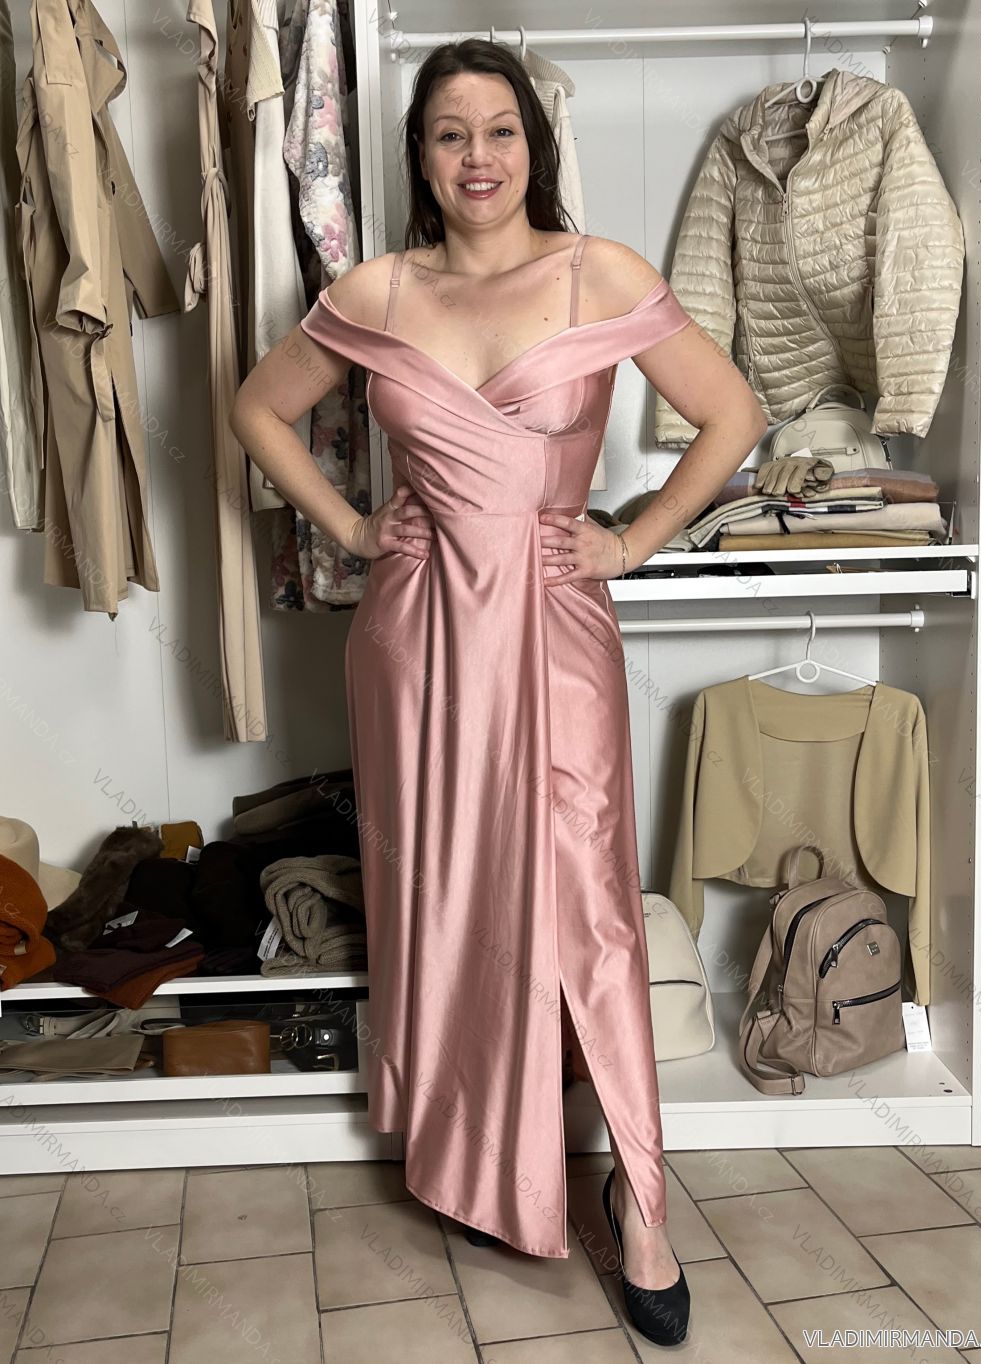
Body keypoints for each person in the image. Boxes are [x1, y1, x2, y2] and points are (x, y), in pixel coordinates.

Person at [230, 37, 765, 1349]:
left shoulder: (600, 273)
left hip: (555, 624)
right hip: (415, 638)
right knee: (447, 893)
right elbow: (256, 410)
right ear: (420, 157)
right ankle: (480, 1161)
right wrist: (354, 532)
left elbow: (735, 416)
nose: (478, 157)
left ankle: (641, 1201)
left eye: (500, 130)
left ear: (537, 145)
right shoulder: (374, 290)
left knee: (587, 904)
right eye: (450, 133)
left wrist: (632, 541)